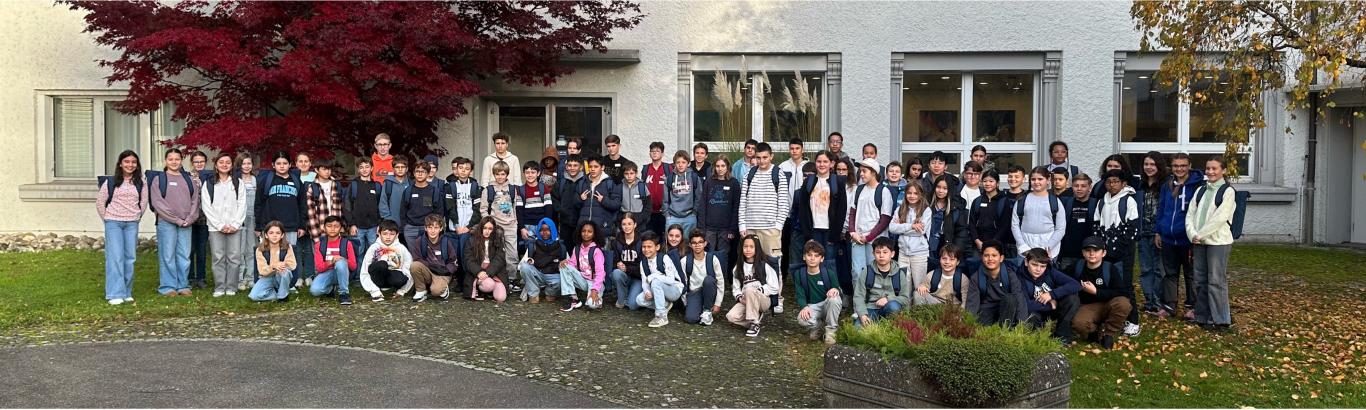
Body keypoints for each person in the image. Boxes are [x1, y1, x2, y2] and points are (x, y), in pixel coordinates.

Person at [1186, 156, 1237, 332]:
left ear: (1223, 170)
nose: (1210, 172)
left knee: (1216, 281)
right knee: (1200, 280)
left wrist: (1200, 235)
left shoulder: (1227, 191)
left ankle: (1221, 320)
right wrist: (1192, 234)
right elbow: (1190, 214)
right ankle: (1202, 316)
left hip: (1218, 242)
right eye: (1208, 168)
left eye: (1215, 168)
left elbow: (1220, 218)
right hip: (1199, 242)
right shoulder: (1201, 190)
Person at [793, 150, 848, 296]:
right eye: (819, 161)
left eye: (825, 162)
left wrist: (835, 235)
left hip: (830, 231)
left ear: (831, 164)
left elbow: (841, 210)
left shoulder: (838, 182)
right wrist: (808, 235)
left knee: (829, 263)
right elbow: (803, 210)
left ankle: (833, 294)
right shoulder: (809, 182)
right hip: (814, 230)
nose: (822, 164)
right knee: (813, 262)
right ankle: (815, 295)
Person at [1155, 153, 1203, 320]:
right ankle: (1169, 305)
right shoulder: (1167, 185)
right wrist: (1159, 231)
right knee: (1170, 273)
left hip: (1188, 238)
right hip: (1168, 237)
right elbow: (1161, 209)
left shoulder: (1198, 186)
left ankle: (1193, 306)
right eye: (1176, 166)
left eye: (1183, 165)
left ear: (1189, 166)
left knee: (1191, 273)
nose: (1179, 169)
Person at [97, 150, 148, 305]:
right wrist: (107, 219)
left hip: (132, 223)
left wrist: (137, 216)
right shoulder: (111, 181)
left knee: (130, 258)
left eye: (133, 162)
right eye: (126, 162)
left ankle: (126, 292)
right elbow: (100, 202)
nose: (130, 165)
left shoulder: (141, 182)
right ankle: (115, 293)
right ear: (120, 164)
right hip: (114, 223)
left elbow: (143, 202)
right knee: (115, 257)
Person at [1094, 169, 1141, 336]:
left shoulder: (1129, 201)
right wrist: (1102, 248)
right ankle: (1113, 317)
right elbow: (1097, 226)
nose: (1112, 185)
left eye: (1115, 181)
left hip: (1123, 253)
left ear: (1123, 183)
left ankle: (1133, 321)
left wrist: (1118, 248)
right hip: (1105, 253)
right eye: (1108, 182)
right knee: (1108, 284)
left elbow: (1132, 229)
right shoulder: (1102, 202)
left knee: (1125, 285)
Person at [152, 148, 201, 297]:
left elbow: (195, 201)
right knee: (167, 255)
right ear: (165, 161)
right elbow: (158, 204)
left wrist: (190, 218)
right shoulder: (159, 179)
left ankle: (183, 285)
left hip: (186, 223)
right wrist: (176, 220)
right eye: (171, 159)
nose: (174, 162)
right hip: (166, 223)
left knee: (184, 255)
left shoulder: (189, 179)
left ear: (181, 161)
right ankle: (167, 287)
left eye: (177, 159)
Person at [1070, 236, 1132, 350]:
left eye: (1096, 250)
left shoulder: (1110, 268)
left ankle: (1109, 333)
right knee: (1078, 323)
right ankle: (1094, 332)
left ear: (1103, 253)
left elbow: (1122, 292)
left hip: (1109, 303)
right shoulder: (1077, 266)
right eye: (1088, 250)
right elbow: (1060, 276)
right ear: (1083, 253)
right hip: (1088, 306)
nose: (1091, 254)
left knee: (1123, 304)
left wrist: (1096, 292)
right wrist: (1048, 262)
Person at [202, 152, 248, 297]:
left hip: (235, 227)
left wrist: (235, 224)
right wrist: (220, 225)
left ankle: (231, 287)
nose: (224, 165)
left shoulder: (238, 183)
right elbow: (206, 207)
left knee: (234, 257)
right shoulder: (209, 183)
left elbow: (242, 205)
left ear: (232, 165)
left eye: (228, 162)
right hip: (215, 227)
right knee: (218, 257)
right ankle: (220, 287)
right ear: (216, 165)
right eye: (221, 162)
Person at [846, 158, 894, 290]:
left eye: (864, 171)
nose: (861, 174)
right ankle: (858, 300)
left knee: (874, 271)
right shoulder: (859, 190)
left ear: (873, 172)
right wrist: (852, 232)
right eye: (860, 171)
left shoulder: (883, 191)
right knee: (857, 272)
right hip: (857, 238)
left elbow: (884, 220)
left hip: (875, 240)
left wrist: (868, 237)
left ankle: (873, 300)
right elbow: (852, 213)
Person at [1018, 247, 1081, 344]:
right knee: (1031, 318)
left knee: (1072, 299)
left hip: (1053, 309)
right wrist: (1050, 305)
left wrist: (1052, 294)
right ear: (1026, 262)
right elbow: (1025, 304)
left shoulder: (1050, 271)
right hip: (1035, 311)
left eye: (1042, 266)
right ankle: (1038, 335)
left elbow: (1075, 285)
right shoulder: (1019, 276)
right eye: (1034, 265)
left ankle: (1061, 335)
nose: (1038, 269)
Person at [1136, 151, 1169, 317]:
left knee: (1158, 269)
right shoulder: (1140, 185)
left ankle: (1158, 302)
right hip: (1143, 232)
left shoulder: (1166, 184)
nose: (1149, 167)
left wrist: (1160, 231)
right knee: (1145, 269)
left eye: (1152, 164)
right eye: (1146, 164)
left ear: (1159, 166)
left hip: (1158, 233)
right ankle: (1149, 301)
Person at [728, 235, 780, 337]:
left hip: (763, 300)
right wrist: (740, 298)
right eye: (745, 246)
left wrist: (759, 290)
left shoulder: (764, 265)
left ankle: (754, 322)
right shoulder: (738, 267)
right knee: (731, 316)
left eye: (751, 247)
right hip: (746, 300)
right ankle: (754, 320)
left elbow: (775, 287)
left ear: (757, 249)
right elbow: (736, 288)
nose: (748, 249)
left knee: (750, 289)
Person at [853, 237, 911, 326]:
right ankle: (872, 322)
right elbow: (858, 296)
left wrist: (888, 299)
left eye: (885, 252)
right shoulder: (867, 271)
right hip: (870, 308)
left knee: (893, 306)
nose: (881, 255)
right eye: (878, 252)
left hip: (890, 307)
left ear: (892, 254)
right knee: (858, 329)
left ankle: (891, 326)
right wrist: (862, 315)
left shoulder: (899, 274)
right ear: (873, 254)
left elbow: (905, 298)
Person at [481, 161, 521, 289]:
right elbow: (483, 209)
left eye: (502, 174)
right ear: (494, 174)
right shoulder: (488, 190)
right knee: (495, 253)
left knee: (512, 254)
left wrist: (515, 222)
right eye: (497, 174)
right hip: (496, 226)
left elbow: (516, 207)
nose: (500, 177)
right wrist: (489, 225)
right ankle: (496, 278)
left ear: (507, 174)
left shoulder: (513, 189)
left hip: (511, 225)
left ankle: (511, 279)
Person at [303, 160, 345, 286]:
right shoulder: (312, 187)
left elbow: (341, 207)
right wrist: (315, 234)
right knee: (320, 257)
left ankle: (336, 280)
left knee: (335, 254)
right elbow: (310, 213)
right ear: (317, 170)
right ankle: (320, 281)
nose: (327, 171)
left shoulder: (336, 185)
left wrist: (341, 227)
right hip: (320, 228)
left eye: (329, 169)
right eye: (324, 169)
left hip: (336, 228)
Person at [1011, 166, 1067, 259]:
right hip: (1025, 246)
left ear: (1048, 180)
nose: (1036, 182)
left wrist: (1048, 247)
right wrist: (1023, 245)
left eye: (1040, 179)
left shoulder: (1055, 202)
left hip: (1049, 249)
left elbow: (1060, 228)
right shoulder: (1022, 200)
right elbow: (1015, 225)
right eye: (1033, 179)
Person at [793, 240, 842, 345]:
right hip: (812, 306)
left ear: (822, 258)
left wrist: (835, 289)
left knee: (834, 299)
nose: (812, 258)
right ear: (804, 257)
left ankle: (831, 331)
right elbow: (800, 294)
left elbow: (837, 289)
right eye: (809, 255)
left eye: (816, 256)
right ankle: (818, 326)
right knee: (802, 319)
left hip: (827, 304)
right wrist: (804, 307)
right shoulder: (799, 274)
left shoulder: (829, 273)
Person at [970, 240, 1028, 326]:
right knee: (981, 326)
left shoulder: (1010, 275)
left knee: (1010, 299)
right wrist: (969, 323)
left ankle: (1005, 329)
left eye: (994, 255)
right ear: (982, 257)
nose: (990, 259)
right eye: (986, 255)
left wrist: (1022, 324)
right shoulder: (976, 277)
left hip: (1006, 308)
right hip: (987, 309)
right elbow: (972, 303)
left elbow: (1019, 297)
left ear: (1001, 258)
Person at [699, 156, 740, 271]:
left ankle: (723, 279)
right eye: (717, 166)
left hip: (726, 229)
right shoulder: (709, 182)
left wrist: (732, 229)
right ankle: (709, 278)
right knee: (708, 255)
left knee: (723, 256)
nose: (720, 169)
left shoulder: (734, 183)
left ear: (728, 167)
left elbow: (736, 207)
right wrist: (702, 227)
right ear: (714, 167)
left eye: (723, 166)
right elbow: (702, 205)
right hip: (709, 228)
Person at [636, 231, 685, 327]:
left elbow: (671, 280)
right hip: (657, 289)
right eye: (644, 247)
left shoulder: (664, 258)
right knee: (639, 300)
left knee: (655, 282)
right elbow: (645, 281)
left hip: (674, 290)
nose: (646, 249)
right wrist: (647, 291)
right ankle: (665, 304)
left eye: (649, 247)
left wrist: (654, 276)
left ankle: (661, 316)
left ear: (657, 247)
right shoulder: (643, 263)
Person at [407, 214, 460, 303]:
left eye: (436, 228)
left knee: (436, 291)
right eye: (430, 227)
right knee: (414, 265)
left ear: (441, 228)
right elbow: (417, 258)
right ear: (425, 228)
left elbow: (453, 261)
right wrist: (430, 265)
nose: (433, 231)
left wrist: (446, 270)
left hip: (442, 273)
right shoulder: (420, 241)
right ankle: (421, 290)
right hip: (429, 270)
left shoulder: (446, 242)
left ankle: (442, 288)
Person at [347, 157, 383, 285]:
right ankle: (358, 277)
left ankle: (373, 277)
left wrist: (380, 224)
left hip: (373, 226)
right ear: (358, 169)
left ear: (372, 168)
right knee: (359, 252)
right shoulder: (354, 185)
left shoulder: (377, 186)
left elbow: (381, 206)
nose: (364, 169)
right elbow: (347, 206)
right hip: (358, 226)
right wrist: (351, 224)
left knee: (374, 253)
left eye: (367, 167)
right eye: (361, 167)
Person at [358, 220, 414, 302]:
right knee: (382, 264)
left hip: (392, 276)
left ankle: (394, 288)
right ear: (379, 234)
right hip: (377, 277)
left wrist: (402, 290)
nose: (388, 237)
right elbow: (365, 271)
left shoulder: (402, 248)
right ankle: (377, 289)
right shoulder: (373, 248)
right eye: (385, 234)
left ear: (397, 235)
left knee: (401, 278)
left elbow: (408, 268)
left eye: (392, 234)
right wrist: (374, 291)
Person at [889, 182, 932, 289]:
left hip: (919, 254)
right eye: (909, 193)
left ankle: (918, 301)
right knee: (904, 286)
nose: (912, 196)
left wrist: (901, 227)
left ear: (921, 194)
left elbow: (921, 231)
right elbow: (892, 228)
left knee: (919, 286)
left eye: (916, 193)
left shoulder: (926, 210)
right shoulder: (900, 209)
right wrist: (912, 226)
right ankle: (906, 301)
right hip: (903, 254)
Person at [560, 220, 608, 311]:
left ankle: (597, 299)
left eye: (589, 231)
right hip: (583, 279)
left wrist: (594, 290)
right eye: (583, 231)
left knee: (592, 305)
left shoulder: (597, 251)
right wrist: (566, 262)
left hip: (595, 282)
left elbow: (600, 273)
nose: (586, 234)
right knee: (564, 266)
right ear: (580, 232)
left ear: (594, 234)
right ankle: (573, 299)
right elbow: (573, 264)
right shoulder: (577, 248)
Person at [926, 175, 972, 271]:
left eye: (945, 188)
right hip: (926, 246)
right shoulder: (926, 202)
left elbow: (961, 231)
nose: (940, 191)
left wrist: (954, 251)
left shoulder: (956, 206)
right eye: (938, 187)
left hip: (947, 244)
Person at [311, 216, 359, 305]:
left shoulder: (347, 243)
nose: (332, 229)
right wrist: (331, 262)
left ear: (341, 228)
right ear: (324, 228)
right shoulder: (319, 245)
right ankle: (330, 289)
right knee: (315, 290)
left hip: (343, 273)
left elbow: (353, 266)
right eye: (329, 226)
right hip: (327, 273)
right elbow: (319, 268)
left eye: (336, 226)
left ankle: (344, 293)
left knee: (340, 263)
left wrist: (342, 260)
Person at [681, 229, 725, 325]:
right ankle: (699, 307)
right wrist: (686, 302)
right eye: (694, 243)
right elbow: (683, 283)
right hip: (694, 292)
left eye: (700, 242)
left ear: (705, 243)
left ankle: (707, 311)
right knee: (690, 319)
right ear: (690, 245)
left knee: (708, 280)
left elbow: (720, 282)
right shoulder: (685, 261)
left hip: (710, 291)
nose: (697, 245)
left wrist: (718, 303)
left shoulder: (712, 259)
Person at [398, 161, 446, 247]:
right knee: (413, 254)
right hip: (411, 229)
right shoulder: (408, 191)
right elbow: (403, 211)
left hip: (429, 229)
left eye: (423, 172)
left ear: (427, 174)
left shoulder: (434, 191)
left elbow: (439, 211)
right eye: (417, 171)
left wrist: (433, 228)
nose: (420, 174)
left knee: (428, 253)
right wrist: (405, 227)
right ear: (414, 173)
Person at [462, 216, 509, 303]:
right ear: (481, 228)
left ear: (494, 229)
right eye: (485, 228)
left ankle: (488, 291)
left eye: (490, 229)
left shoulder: (498, 240)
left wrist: (488, 273)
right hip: (477, 271)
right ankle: (479, 288)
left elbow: (499, 259)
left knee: (501, 298)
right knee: (488, 285)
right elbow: (469, 259)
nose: (487, 231)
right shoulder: (472, 240)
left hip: (494, 272)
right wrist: (478, 272)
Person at [519, 218, 565, 304]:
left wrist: (561, 263)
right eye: (541, 230)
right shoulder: (533, 243)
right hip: (538, 273)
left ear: (552, 230)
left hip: (552, 275)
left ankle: (549, 292)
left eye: (547, 230)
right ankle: (533, 293)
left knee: (561, 279)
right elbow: (522, 264)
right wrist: (529, 260)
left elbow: (565, 263)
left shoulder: (560, 246)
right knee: (525, 267)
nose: (544, 232)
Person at [1056, 173, 1096, 271]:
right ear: (1072, 187)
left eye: (1083, 186)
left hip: (1088, 253)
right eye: (1076, 186)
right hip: (1067, 253)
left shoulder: (1096, 204)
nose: (1079, 189)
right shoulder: (1065, 203)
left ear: (1090, 187)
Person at [968, 170, 1010, 262]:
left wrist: (993, 243)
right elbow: (971, 223)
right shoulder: (977, 201)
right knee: (976, 267)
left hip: (997, 244)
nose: (987, 184)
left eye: (991, 181)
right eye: (985, 181)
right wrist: (977, 240)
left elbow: (1005, 225)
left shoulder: (1004, 201)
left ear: (997, 183)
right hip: (978, 245)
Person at [249, 221, 296, 302]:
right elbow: (262, 270)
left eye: (278, 233)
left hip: (282, 275)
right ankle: (277, 294)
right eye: (271, 233)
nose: (274, 235)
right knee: (254, 296)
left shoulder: (287, 247)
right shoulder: (260, 249)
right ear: (266, 235)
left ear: (282, 235)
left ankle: (283, 297)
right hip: (268, 277)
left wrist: (282, 265)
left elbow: (292, 264)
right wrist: (274, 266)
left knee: (285, 272)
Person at [579, 156, 622, 239]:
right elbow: (575, 204)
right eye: (590, 166)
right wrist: (580, 199)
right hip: (585, 230)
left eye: (596, 166)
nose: (592, 169)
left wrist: (603, 200)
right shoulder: (583, 182)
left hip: (602, 229)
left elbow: (617, 204)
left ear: (602, 167)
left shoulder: (610, 183)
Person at [518, 161, 555, 251]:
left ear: (538, 173)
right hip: (527, 226)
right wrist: (522, 228)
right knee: (530, 250)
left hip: (542, 225)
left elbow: (548, 208)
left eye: (533, 172)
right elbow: (519, 211)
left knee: (543, 250)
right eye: (527, 172)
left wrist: (546, 225)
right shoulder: (520, 190)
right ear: (524, 174)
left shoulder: (544, 188)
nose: (530, 175)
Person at [664, 150, 703, 236]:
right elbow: (665, 199)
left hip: (690, 216)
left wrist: (694, 213)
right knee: (671, 241)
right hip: (672, 217)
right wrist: (667, 215)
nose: (680, 165)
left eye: (683, 162)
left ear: (688, 164)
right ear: (674, 164)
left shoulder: (694, 177)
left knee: (688, 241)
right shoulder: (669, 178)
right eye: (678, 162)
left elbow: (699, 197)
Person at [610, 215, 645, 310]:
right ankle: (622, 298)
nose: (627, 226)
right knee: (616, 273)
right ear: (621, 226)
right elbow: (613, 262)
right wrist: (617, 264)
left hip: (638, 277)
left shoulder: (641, 241)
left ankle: (633, 292)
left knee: (632, 306)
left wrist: (627, 268)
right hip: (624, 276)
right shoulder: (617, 241)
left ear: (635, 225)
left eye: (629, 224)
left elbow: (644, 266)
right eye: (624, 224)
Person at [292, 152, 317, 286]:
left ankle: (309, 275)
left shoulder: (315, 177)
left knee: (309, 249)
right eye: (300, 161)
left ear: (310, 163)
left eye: (306, 161)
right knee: (296, 248)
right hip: (296, 215)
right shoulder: (292, 176)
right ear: (296, 163)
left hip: (312, 217)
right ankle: (297, 277)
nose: (303, 164)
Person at [187, 150, 211, 290]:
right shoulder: (187, 177)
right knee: (190, 249)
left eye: (202, 161)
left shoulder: (210, 177)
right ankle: (190, 277)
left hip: (204, 218)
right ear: (192, 163)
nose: (199, 164)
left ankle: (201, 277)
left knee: (201, 249)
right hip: (190, 217)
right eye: (196, 161)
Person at [237, 154, 259, 291]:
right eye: (243, 163)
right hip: (239, 218)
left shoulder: (256, 180)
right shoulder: (235, 180)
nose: (246, 166)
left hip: (252, 217)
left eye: (249, 163)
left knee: (251, 248)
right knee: (239, 250)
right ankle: (239, 278)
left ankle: (250, 277)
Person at [555, 154, 586, 248]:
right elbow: (554, 198)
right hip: (565, 222)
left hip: (581, 222)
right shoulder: (561, 182)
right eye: (570, 165)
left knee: (581, 249)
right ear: (566, 167)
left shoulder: (585, 182)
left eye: (575, 165)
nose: (572, 168)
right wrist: (561, 210)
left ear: (581, 167)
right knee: (566, 248)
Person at [999, 165, 1029, 260]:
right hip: (1002, 241)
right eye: (1010, 176)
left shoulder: (1028, 197)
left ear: (1023, 179)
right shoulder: (1001, 196)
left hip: (1022, 242)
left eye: (1017, 176)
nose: (1013, 179)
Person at [616, 161, 650, 232]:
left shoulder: (642, 187)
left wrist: (642, 218)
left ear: (636, 173)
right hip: (624, 220)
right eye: (626, 174)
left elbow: (648, 205)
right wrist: (619, 218)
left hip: (639, 222)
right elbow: (616, 205)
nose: (629, 176)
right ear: (623, 174)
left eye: (631, 173)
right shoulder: (619, 187)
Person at [644, 142, 669, 235]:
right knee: (649, 236)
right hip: (649, 211)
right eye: (652, 151)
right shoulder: (646, 169)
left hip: (664, 211)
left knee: (663, 237)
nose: (654, 153)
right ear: (649, 153)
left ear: (662, 154)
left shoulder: (668, 168)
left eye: (657, 151)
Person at [378, 155, 411, 225]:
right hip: (391, 222)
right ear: (393, 169)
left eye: (403, 167)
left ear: (407, 169)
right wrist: (387, 218)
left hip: (408, 223)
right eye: (397, 167)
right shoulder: (388, 183)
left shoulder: (411, 184)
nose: (400, 169)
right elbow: (383, 202)